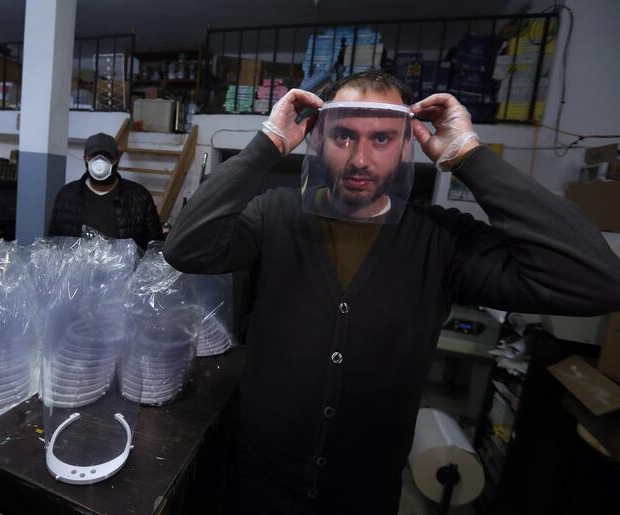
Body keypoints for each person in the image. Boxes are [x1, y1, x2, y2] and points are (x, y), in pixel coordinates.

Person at [162, 71, 620, 514]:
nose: (360, 159)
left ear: (407, 143)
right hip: (258, 480)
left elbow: (595, 281)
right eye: (344, 137)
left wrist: (470, 157)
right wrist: (267, 144)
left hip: (365, 493)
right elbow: (185, 248)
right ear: (320, 140)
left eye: (381, 138)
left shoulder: (441, 240)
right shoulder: (276, 214)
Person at [48, 132, 163, 249]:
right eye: (93, 156)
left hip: (126, 267)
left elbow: (156, 245)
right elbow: (53, 243)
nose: (100, 162)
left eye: (107, 156)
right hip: (76, 267)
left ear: (116, 160)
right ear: (85, 159)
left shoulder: (139, 197)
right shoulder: (67, 196)